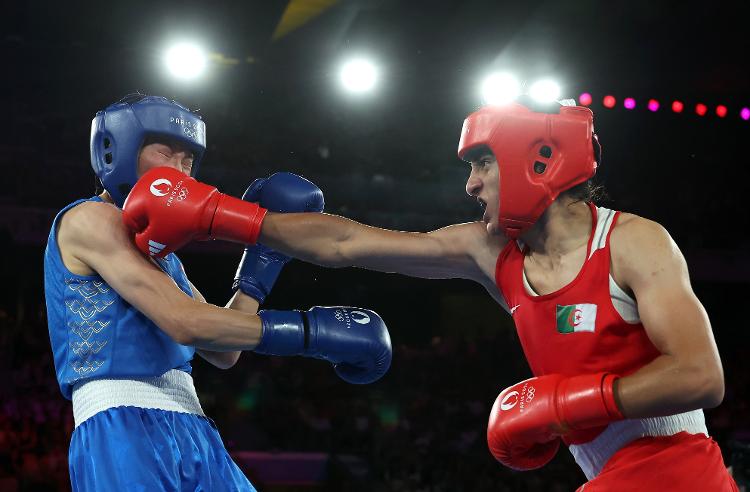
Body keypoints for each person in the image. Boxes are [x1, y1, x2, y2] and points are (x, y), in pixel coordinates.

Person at [123, 95, 739, 490]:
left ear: (539, 160)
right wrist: (223, 216)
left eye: (482, 164)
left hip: (676, 467)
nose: (470, 185)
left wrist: (564, 404)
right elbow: (349, 244)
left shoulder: (634, 242)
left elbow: (702, 376)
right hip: (613, 475)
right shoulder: (489, 251)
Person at [43, 93, 393, 491]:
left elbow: (223, 351)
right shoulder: (88, 218)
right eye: (165, 152)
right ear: (117, 150)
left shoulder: (165, 259)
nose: (179, 170)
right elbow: (185, 322)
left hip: (192, 425)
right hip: (121, 427)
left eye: (188, 159)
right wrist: (310, 331)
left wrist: (260, 266)